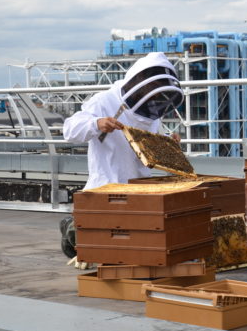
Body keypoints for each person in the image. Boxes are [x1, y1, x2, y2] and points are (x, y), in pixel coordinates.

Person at [60, 52, 184, 265]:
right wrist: (96, 123)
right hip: (106, 186)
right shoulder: (104, 101)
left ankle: (81, 229)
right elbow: (69, 129)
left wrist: (167, 142)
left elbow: (149, 139)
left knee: (132, 246)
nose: (154, 100)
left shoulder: (151, 109)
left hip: (140, 187)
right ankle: (72, 229)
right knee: (95, 244)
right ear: (140, 83)